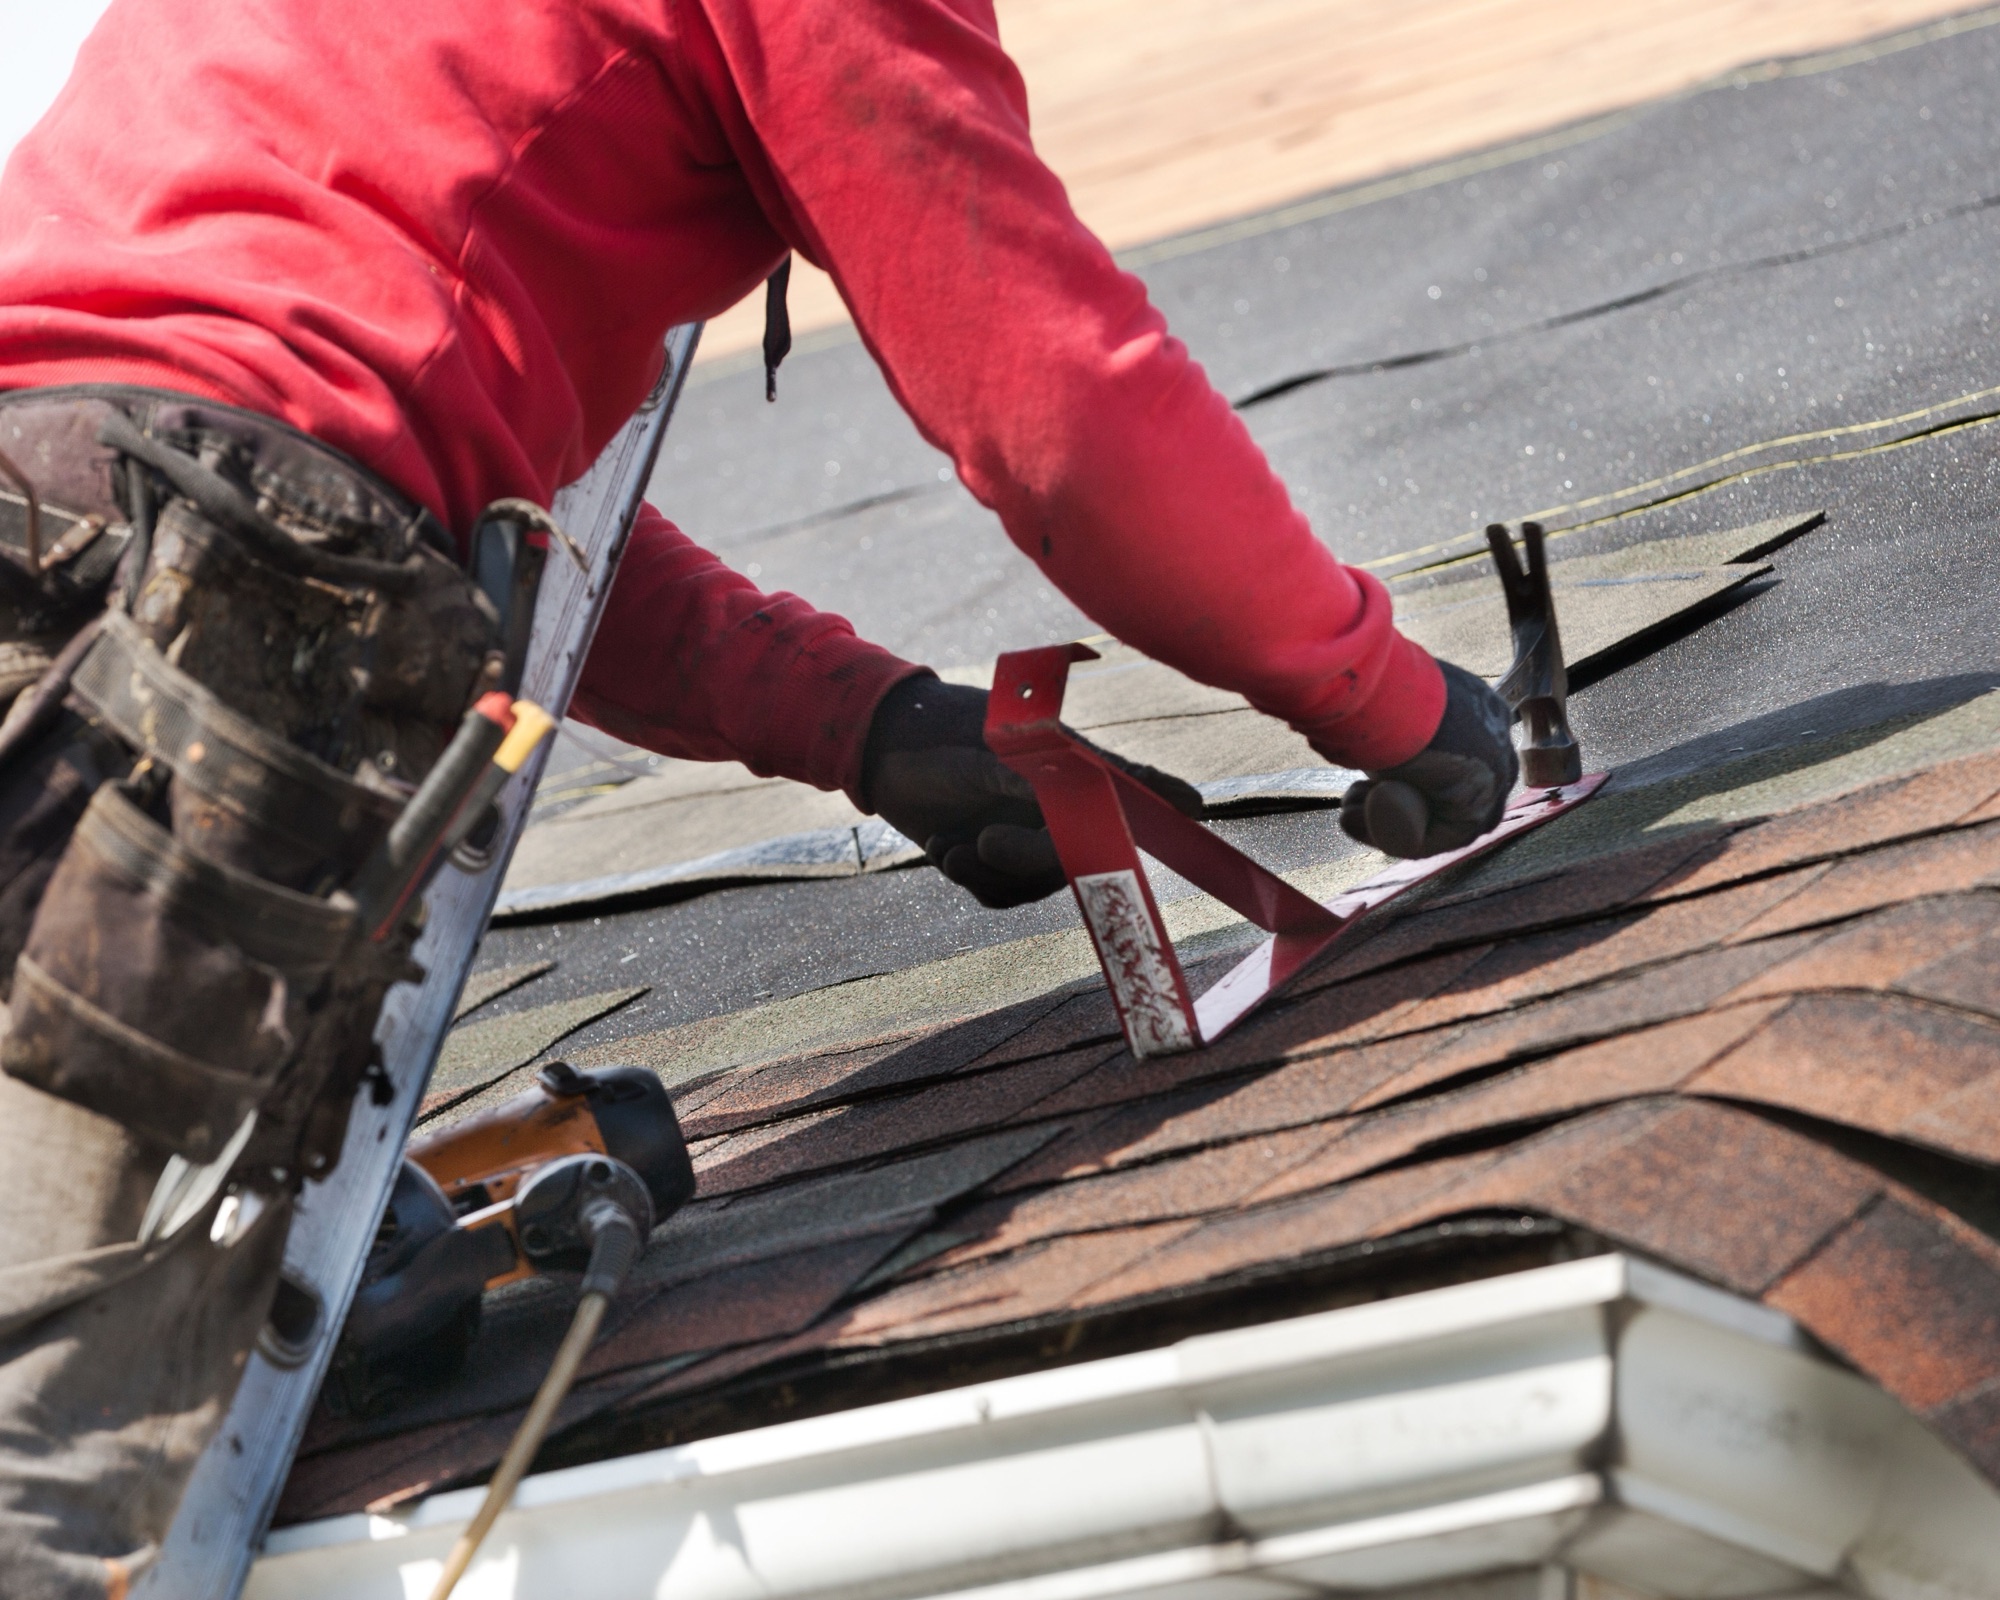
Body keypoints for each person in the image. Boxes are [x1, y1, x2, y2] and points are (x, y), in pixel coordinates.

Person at [0, 0, 1516, 1590]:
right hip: (197, 621)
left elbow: (465, 494)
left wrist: (861, 722)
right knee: (53, 1443)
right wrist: (1377, 696)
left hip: (87, 535)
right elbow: (1053, 400)